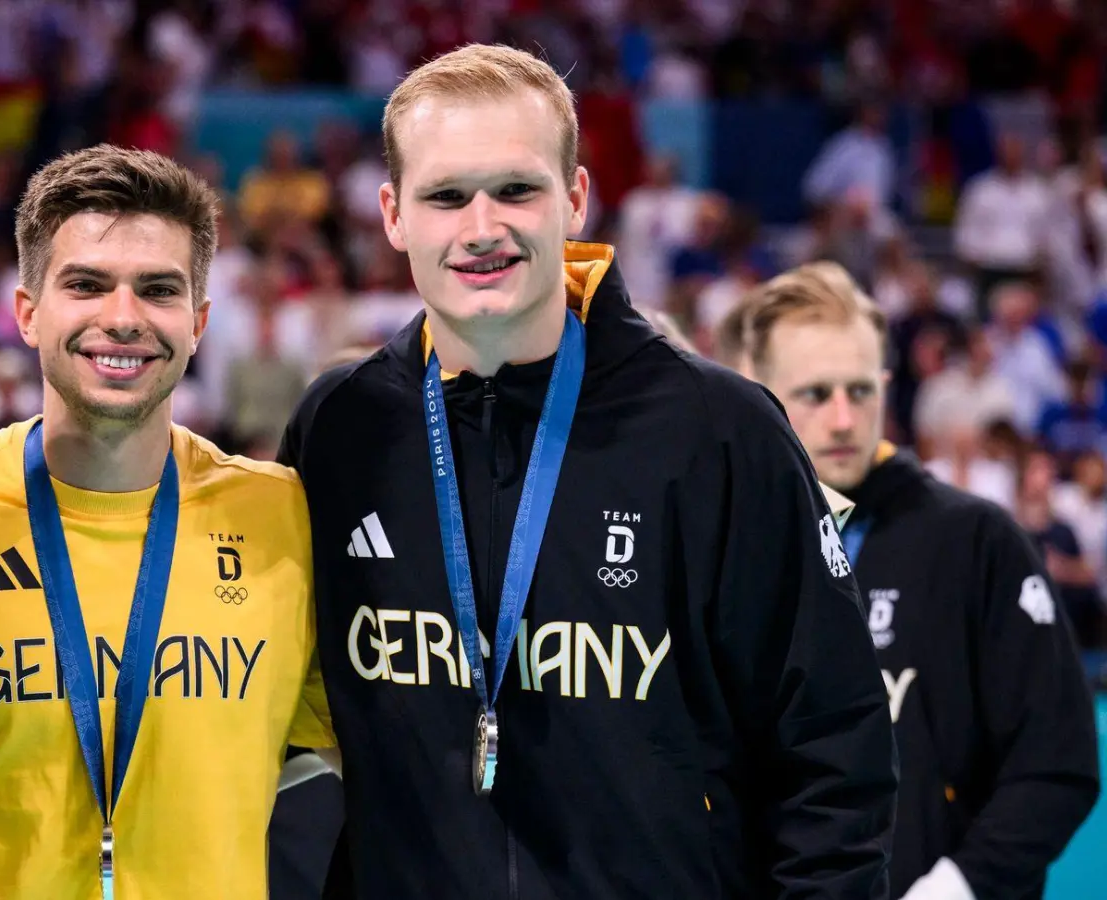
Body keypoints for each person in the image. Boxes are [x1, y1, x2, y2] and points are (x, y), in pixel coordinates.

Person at [276, 43, 898, 898]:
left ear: (573, 198)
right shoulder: (340, 428)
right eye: (447, 196)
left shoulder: (718, 431)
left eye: (517, 190)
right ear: (392, 214)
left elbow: (833, 749)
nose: (482, 227)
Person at [0, 145, 335, 899]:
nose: (122, 318)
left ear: (199, 321)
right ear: (26, 313)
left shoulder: (283, 519)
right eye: (86, 284)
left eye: (157, 289)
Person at [733, 263, 1100, 900]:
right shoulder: (726, 539)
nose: (844, 419)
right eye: (815, 395)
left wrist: (956, 887)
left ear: (886, 385)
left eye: (861, 390)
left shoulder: (976, 543)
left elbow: (1055, 765)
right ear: (757, 392)